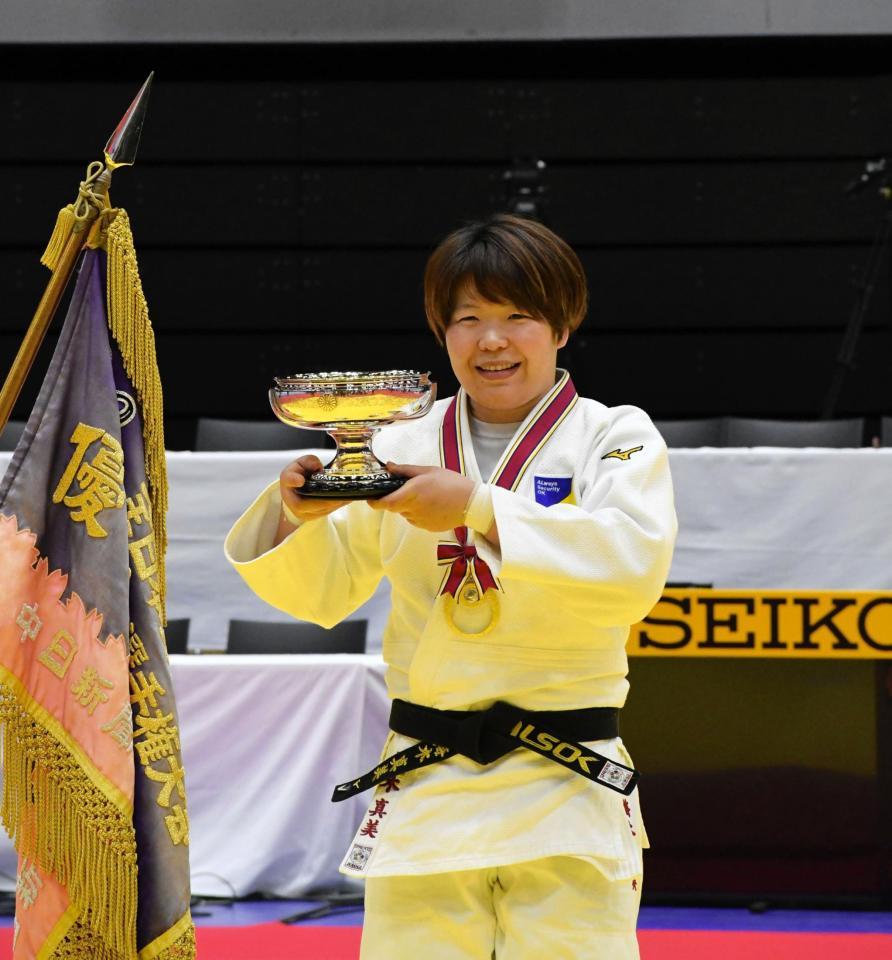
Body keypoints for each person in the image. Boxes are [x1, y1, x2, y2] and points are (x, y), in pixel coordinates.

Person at [225, 213, 677, 959]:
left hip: (567, 779)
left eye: (517, 317)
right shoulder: (398, 442)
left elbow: (630, 569)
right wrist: (293, 515)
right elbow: (322, 594)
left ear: (562, 327)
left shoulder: (614, 436)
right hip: (429, 780)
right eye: (468, 319)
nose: (491, 341)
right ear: (443, 333)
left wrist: (475, 506)